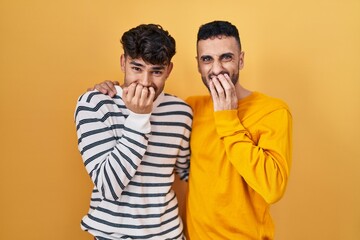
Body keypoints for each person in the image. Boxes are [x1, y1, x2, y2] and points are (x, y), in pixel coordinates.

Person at [90, 20, 292, 240]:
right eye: (207, 59)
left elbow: (272, 189)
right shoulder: (190, 108)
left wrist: (227, 118)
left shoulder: (273, 111)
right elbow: (184, 171)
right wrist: (112, 90)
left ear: (241, 60)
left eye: (226, 57)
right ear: (198, 65)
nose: (216, 69)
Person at [74, 24, 192, 240]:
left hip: (169, 234)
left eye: (156, 71)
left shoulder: (181, 112)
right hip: (114, 236)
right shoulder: (95, 104)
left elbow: (188, 172)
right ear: (123, 62)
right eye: (137, 68)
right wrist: (139, 118)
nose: (146, 82)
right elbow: (109, 187)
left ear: (169, 70)